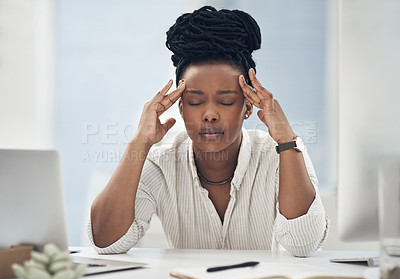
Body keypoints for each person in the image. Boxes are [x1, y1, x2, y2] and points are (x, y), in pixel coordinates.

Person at [88, 6, 329, 257]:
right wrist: (139, 142)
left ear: (248, 107)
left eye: (225, 101)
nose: (210, 114)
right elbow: (106, 241)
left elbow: (304, 244)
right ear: (180, 108)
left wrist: (286, 140)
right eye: (195, 101)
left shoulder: (281, 154)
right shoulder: (161, 163)